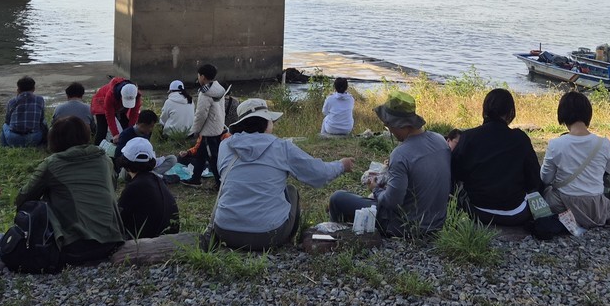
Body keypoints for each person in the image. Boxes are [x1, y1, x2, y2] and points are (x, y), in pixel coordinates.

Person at [210, 99, 354, 250]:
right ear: (266, 123)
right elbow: (319, 174)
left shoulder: (225, 146)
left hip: (225, 232)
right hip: (268, 236)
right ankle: (287, 241)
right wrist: (341, 165)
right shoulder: (281, 147)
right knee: (290, 191)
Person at [328, 92, 450, 236]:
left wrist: (375, 189)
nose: (388, 128)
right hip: (436, 223)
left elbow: (392, 202)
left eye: (388, 125)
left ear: (398, 124)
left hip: (406, 226)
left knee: (338, 198)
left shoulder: (401, 154)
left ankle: (337, 237)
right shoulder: (440, 140)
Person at [16, 116, 125, 265]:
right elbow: (111, 188)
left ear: (54, 139)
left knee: (39, 202)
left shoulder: (52, 164)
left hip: (75, 247)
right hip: (112, 241)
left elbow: (24, 198)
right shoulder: (104, 159)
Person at [450, 88, 542, 227]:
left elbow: (456, 172)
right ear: (511, 112)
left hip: (477, 211)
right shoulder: (520, 139)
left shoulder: (469, 137)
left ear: (484, 110)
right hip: (516, 213)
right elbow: (534, 180)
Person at [539, 91, 610, 228]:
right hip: (596, 209)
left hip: (565, 205)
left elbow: (545, 179)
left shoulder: (556, 144)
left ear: (562, 115)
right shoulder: (603, 144)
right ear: (588, 114)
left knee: (547, 192)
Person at [117, 138, 179, 239]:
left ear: (125, 163)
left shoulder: (133, 188)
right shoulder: (157, 180)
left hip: (146, 243)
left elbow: (118, 220)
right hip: (169, 238)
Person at [187, 64, 228, 188]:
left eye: (198, 76)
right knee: (201, 154)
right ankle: (195, 179)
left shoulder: (205, 93)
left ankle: (220, 183)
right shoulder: (218, 88)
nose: (198, 78)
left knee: (213, 158)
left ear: (203, 77)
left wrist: (195, 130)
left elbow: (201, 114)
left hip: (209, 131)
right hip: (218, 126)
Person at [114, 110, 178, 178]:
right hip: (131, 168)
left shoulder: (146, 134)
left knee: (172, 159)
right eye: (151, 127)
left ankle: (150, 175)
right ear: (143, 125)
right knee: (126, 170)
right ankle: (155, 176)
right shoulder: (126, 134)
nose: (151, 129)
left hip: (145, 165)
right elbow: (118, 157)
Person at [1, 76, 47, 147]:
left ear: (18, 89)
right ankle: (43, 145)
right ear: (33, 88)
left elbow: (7, 121)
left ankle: (5, 147)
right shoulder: (40, 99)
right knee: (44, 122)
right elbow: (41, 119)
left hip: (13, 139)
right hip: (34, 138)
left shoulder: (12, 101)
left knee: (5, 125)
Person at [90, 74, 119, 144]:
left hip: (114, 100)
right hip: (100, 102)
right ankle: (96, 149)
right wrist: (116, 134)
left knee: (125, 125)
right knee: (102, 130)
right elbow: (110, 117)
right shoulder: (110, 95)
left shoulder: (135, 94)